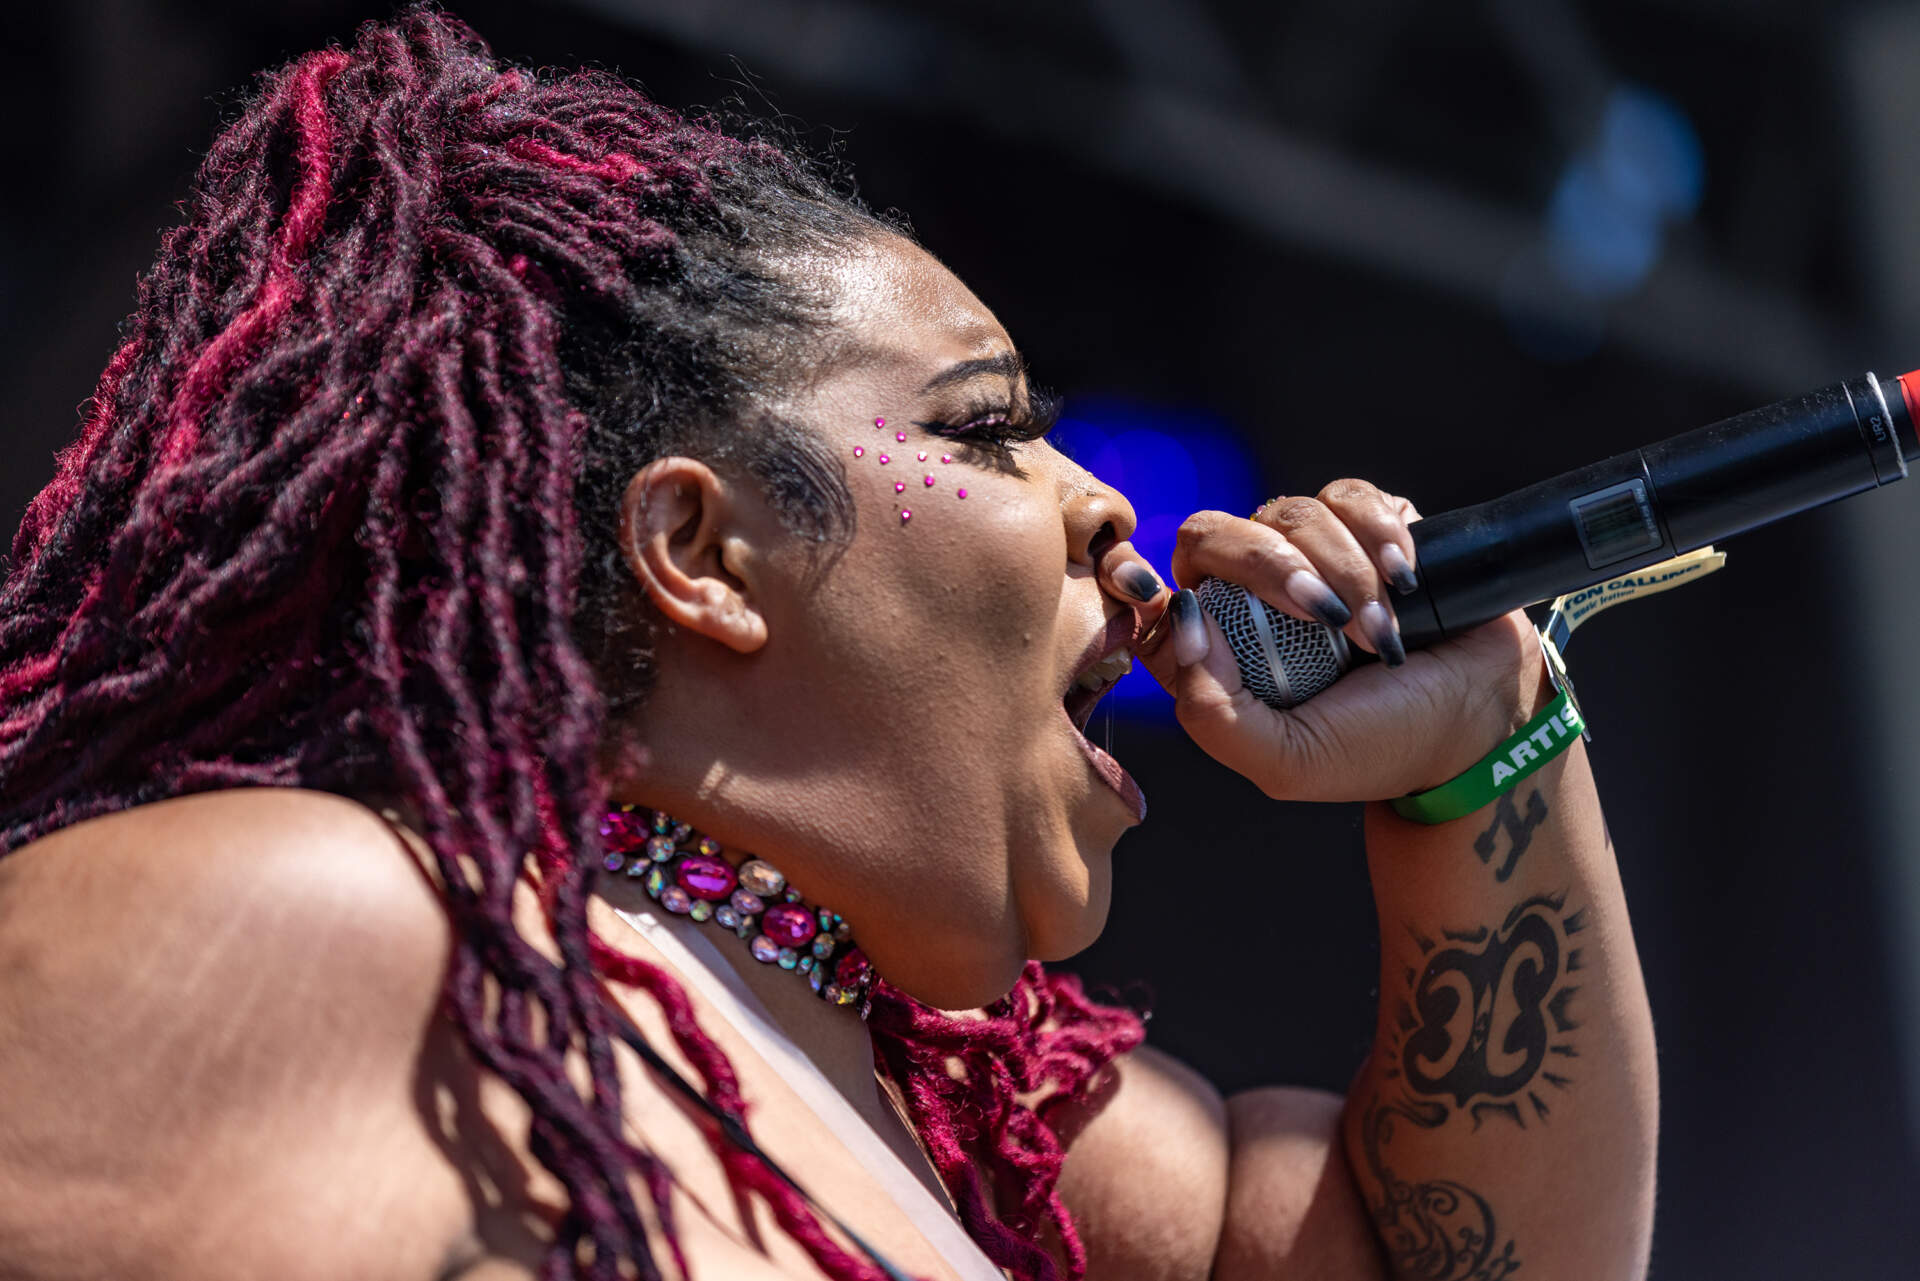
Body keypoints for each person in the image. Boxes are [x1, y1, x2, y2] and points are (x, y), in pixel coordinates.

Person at [0, 8, 1657, 1279]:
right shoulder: (345, 929)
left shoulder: (964, 1125)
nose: (1105, 510)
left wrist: (1489, 747)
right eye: (992, 424)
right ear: (703, 552)